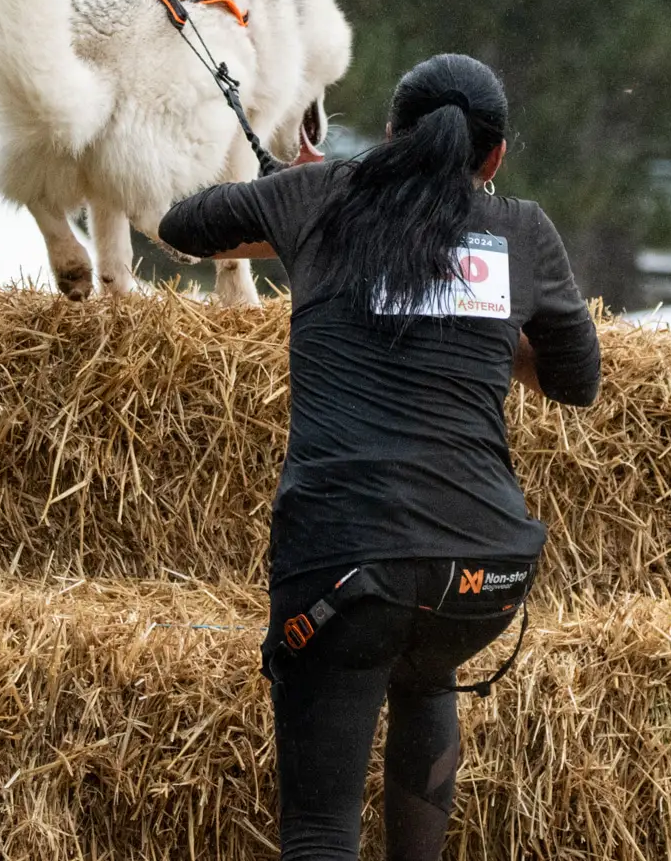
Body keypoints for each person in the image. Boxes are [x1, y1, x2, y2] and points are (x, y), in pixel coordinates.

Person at [158, 53, 602, 861]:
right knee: (423, 668)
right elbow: (577, 380)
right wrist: (488, 325)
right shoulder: (523, 231)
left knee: (322, 832)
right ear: (494, 156)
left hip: (346, 569)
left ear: (392, 134)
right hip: (485, 574)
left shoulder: (318, 193)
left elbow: (184, 224)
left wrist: (290, 209)